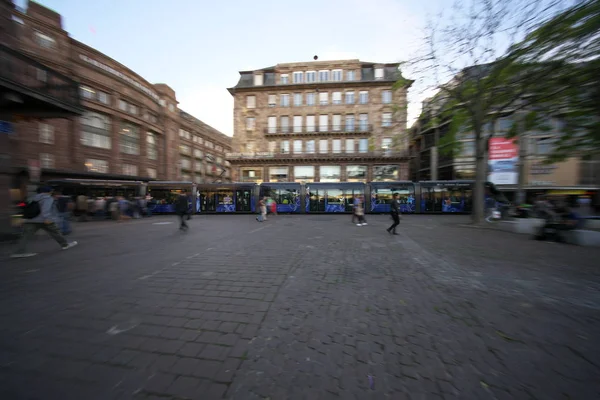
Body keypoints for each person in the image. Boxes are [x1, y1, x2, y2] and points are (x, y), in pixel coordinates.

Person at [11, 186, 78, 258]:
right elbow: (46, 209)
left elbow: (23, 206)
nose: (51, 192)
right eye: (51, 191)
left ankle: (19, 252)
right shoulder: (47, 198)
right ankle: (65, 244)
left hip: (30, 220)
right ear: (48, 191)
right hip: (43, 220)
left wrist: (23, 218)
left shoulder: (31, 197)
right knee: (55, 232)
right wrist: (47, 218)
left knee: (25, 236)